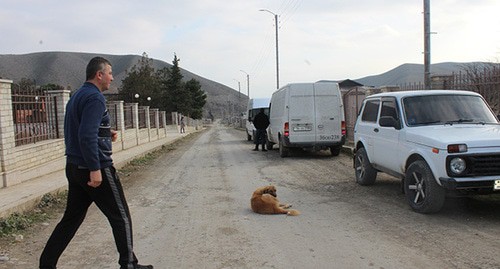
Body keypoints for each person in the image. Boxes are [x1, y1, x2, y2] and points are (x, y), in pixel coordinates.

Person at [39, 57, 153, 269]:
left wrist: (104, 132)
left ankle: (46, 263)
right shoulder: (95, 98)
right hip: (94, 166)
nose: (112, 77)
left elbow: (79, 129)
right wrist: (95, 169)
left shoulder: (78, 96)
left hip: (74, 166)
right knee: (121, 216)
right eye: (109, 73)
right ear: (99, 74)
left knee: (71, 219)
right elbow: (85, 135)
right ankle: (128, 264)